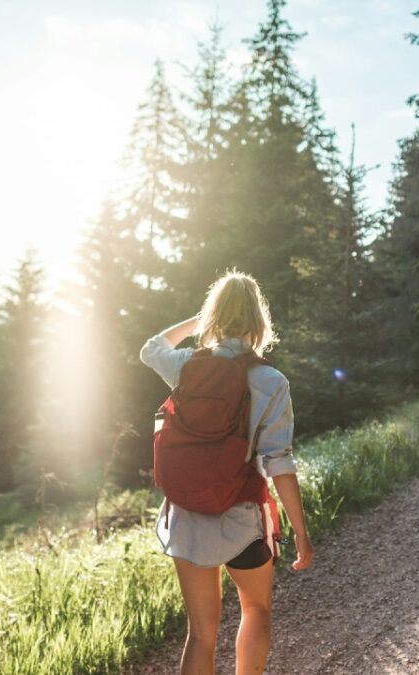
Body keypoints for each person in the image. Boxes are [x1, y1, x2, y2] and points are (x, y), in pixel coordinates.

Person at [140, 270, 313, 675]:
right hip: (240, 518)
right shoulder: (271, 381)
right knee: (256, 609)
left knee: (200, 633)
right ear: (259, 321)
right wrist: (301, 532)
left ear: (214, 316)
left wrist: (199, 323)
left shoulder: (186, 366)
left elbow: (150, 348)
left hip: (186, 515)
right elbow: (279, 463)